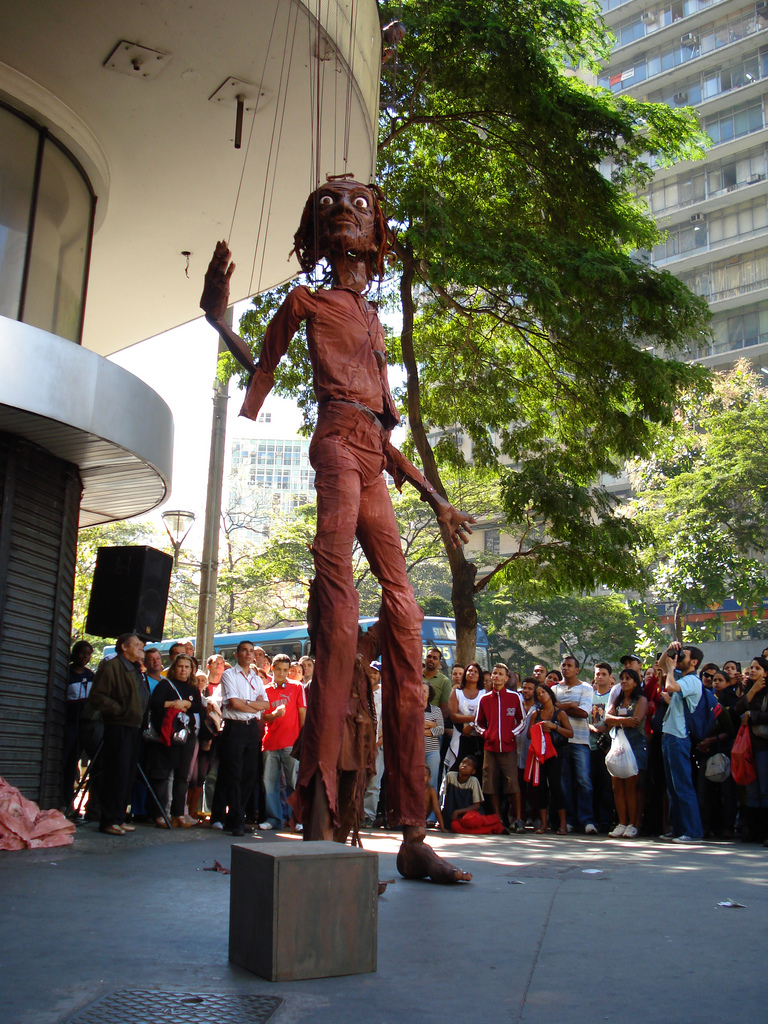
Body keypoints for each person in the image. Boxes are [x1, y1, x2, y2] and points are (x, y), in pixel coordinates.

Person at [201, 176, 475, 883]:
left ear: (377, 229)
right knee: (339, 610)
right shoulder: (307, 302)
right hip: (335, 448)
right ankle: (319, 822)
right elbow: (264, 367)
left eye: (359, 205)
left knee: (406, 621)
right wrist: (219, 320)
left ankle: (412, 835)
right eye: (329, 205)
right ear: (318, 233)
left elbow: (382, 430)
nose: (345, 212)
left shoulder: (375, 317)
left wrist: (437, 499)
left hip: (372, 457)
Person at [87, 633, 148, 835]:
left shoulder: (135, 668)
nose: (141, 648)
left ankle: (119, 817)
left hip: (134, 727)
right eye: (137, 645)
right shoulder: (111, 666)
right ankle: (109, 820)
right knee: (116, 773)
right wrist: (120, 710)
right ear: (124, 647)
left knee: (127, 774)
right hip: (118, 726)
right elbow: (97, 696)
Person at [210, 640, 269, 837]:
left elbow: (266, 704)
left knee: (249, 774)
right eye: (244, 650)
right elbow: (234, 703)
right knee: (233, 774)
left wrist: (247, 703)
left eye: (251, 651)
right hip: (234, 727)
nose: (248, 654)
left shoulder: (257, 678)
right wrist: (253, 705)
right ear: (237, 654)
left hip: (251, 728)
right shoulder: (229, 675)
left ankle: (236, 816)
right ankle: (235, 820)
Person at [146, 654, 202, 828]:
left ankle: (178, 814)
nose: (183, 670)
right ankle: (159, 814)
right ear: (174, 668)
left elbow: (198, 707)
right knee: (163, 775)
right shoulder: (165, 685)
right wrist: (175, 703)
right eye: (180, 666)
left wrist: (187, 704)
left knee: (182, 775)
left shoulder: (193, 688)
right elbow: (155, 703)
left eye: (187, 667)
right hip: (167, 734)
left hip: (187, 735)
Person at [658, 642, 704, 843]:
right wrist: (670, 649)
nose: (679, 658)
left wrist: (671, 669)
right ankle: (678, 828)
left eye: (683, 656)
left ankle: (692, 831)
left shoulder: (692, 680)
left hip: (680, 736)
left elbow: (670, 687)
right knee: (673, 787)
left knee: (683, 785)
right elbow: (661, 665)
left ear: (694, 662)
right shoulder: (682, 677)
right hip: (670, 735)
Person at [475, 664, 525, 832]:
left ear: (506, 678)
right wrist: (486, 734)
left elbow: (522, 720)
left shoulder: (514, 697)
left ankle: (518, 819)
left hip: (509, 747)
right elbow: (478, 723)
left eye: (500, 674)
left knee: (513, 783)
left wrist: (511, 734)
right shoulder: (484, 699)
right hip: (490, 748)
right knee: (491, 783)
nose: (496, 676)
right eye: (494, 673)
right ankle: (498, 819)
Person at [260, 653, 307, 831]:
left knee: (293, 782)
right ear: (272, 669)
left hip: (291, 742)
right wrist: (274, 715)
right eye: (278, 669)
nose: (282, 673)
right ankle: (274, 819)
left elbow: (302, 712)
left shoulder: (297, 687)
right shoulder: (265, 690)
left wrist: (302, 740)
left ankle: (297, 819)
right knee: (269, 783)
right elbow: (263, 717)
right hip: (270, 742)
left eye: (285, 670)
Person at [553, 656, 596, 834]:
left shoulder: (586, 688)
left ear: (577, 670)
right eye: (563, 665)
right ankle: (569, 820)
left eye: (570, 665)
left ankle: (587, 820)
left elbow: (584, 713)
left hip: (580, 741)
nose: (566, 668)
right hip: (560, 742)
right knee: (565, 783)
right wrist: (571, 705)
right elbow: (551, 711)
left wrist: (560, 707)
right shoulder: (554, 689)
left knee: (584, 781)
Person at [604, 668, 648, 838]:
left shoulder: (641, 700)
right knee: (617, 786)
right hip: (618, 745)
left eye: (628, 678)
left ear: (636, 682)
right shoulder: (618, 700)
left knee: (631, 786)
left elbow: (635, 721)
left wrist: (617, 720)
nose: (624, 681)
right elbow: (607, 719)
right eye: (622, 678)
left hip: (635, 746)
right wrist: (623, 720)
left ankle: (633, 824)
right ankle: (622, 823)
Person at [527, 683, 573, 834]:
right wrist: (538, 727)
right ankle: (544, 824)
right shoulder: (536, 714)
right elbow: (528, 735)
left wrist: (554, 727)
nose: (541, 695)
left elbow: (570, 733)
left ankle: (563, 824)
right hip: (539, 755)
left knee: (556, 787)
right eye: (538, 694)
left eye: (543, 692)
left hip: (555, 754)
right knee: (540, 788)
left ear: (550, 694)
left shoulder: (560, 714)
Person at [734, 656, 768, 845]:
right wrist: (753, 690)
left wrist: (752, 715)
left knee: (764, 789)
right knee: (751, 789)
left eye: (758, 668)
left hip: (763, 745)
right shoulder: (749, 689)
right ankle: (751, 831)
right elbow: (737, 709)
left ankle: (765, 831)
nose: (753, 670)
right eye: (752, 667)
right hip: (748, 746)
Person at [61, 641, 98, 812]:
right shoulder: (66, 674)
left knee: (77, 763)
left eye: (88, 654)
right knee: (66, 762)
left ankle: (73, 802)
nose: (85, 657)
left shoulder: (91, 676)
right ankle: (63, 800)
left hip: (86, 725)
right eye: (82, 653)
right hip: (70, 724)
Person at [441, 756, 502, 836]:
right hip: (454, 817)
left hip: (468, 814)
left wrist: (458, 811)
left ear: (473, 771)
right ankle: (493, 827)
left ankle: (495, 825)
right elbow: (444, 798)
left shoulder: (473, 781)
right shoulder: (450, 776)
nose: (464, 766)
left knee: (470, 821)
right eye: (463, 763)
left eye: (469, 765)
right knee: (455, 826)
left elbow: (477, 806)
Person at [589, 661, 615, 834]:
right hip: (591, 746)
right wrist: (593, 728)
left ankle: (606, 820)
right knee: (592, 784)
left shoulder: (614, 695)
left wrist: (607, 727)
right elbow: (584, 719)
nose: (600, 677)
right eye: (597, 674)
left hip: (609, 747)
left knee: (607, 785)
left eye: (604, 674)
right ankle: (593, 819)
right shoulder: (589, 696)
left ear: (610, 677)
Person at [444, 662, 484, 774]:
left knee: (478, 771)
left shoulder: (484, 693)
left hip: (479, 738)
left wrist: (471, 725)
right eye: (470, 671)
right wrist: (473, 718)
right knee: (456, 769)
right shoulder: (456, 693)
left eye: (475, 672)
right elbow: (453, 716)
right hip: (460, 736)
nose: (472, 673)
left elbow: (485, 716)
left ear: (479, 676)